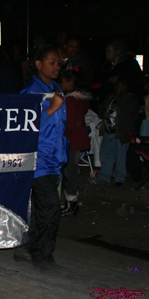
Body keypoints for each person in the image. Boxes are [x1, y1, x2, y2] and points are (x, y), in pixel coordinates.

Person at [13, 45, 67, 270]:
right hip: (38, 158)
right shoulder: (30, 92)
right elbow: (23, 126)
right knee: (51, 206)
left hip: (54, 158)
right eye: (52, 62)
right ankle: (42, 257)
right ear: (39, 64)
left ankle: (27, 247)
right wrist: (51, 109)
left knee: (41, 207)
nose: (57, 66)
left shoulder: (56, 88)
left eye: (58, 63)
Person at [59, 70, 91, 215]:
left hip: (71, 141)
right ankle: (71, 203)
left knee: (69, 173)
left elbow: (69, 123)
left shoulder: (71, 101)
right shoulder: (80, 99)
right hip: (76, 140)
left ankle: (71, 204)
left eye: (63, 81)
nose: (61, 84)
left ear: (70, 83)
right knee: (71, 172)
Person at [97, 78, 139, 187]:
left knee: (120, 156)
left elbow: (127, 112)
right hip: (108, 130)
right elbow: (101, 108)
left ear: (125, 86)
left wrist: (118, 100)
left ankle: (119, 178)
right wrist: (103, 114)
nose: (117, 88)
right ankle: (104, 177)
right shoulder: (111, 97)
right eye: (116, 85)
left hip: (121, 132)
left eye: (120, 85)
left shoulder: (130, 98)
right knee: (106, 155)